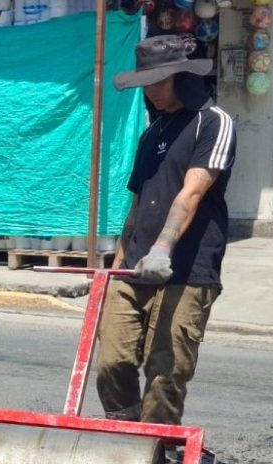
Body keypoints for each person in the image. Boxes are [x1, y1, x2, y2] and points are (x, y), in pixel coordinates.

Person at [98, 34, 236, 426]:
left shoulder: (212, 123)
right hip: (134, 268)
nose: (152, 92)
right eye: (147, 84)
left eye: (159, 82)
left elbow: (191, 193)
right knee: (112, 361)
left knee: (164, 375)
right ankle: (124, 440)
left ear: (182, 77)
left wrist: (163, 249)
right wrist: (116, 269)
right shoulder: (151, 134)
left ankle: (158, 459)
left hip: (188, 271)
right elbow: (138, 206)